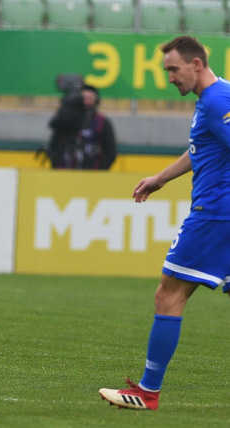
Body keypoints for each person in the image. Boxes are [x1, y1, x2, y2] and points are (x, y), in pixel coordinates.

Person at [99, 36, 229, 410]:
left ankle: (147, 392)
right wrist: (161, 178)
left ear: (196, 64)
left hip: (215, 214)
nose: (170, 78)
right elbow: (204, 148)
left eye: (173, 69)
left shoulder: (216, 100)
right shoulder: (218, 97)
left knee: (168, 294)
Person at [47, 84, 116, 170]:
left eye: (90, 98)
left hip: (92, 172)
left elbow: (110, 151)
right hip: (64, 169)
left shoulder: (102, 122)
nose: (86, 101)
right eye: (84, 98)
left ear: (96, 100)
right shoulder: (65, 118)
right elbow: (54, 142)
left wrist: (101, 169)